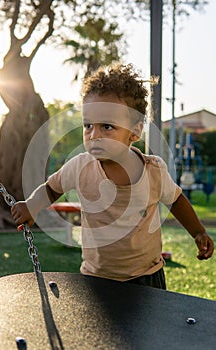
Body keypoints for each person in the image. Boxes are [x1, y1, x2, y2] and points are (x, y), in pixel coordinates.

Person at [11, 63, 214, 290]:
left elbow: (176, 200)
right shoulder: (80, 166)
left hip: (147, 277)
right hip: (96, 277)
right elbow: (51, 188)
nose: (94, 135)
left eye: (107, 126)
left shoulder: (153, 171)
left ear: (135, 131)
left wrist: (198, 231)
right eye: (88, 125)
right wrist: (32, 205)